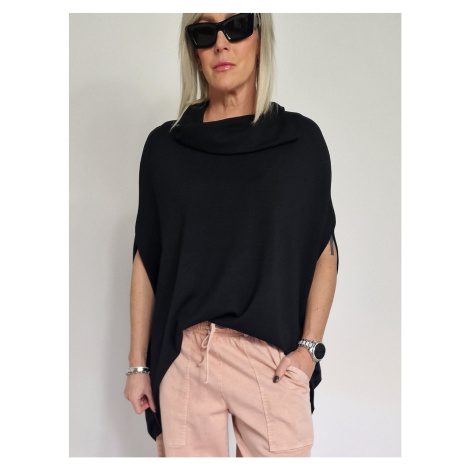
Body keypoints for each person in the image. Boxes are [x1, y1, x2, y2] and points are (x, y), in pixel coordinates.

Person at [124, 13, 339, 457]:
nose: (221, 43)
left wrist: (308, 350)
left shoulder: (300, 143)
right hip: (186, 354)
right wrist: (137, 365)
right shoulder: (165, 149)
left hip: (270, 359)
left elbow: (324, 249)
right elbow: (147, 258)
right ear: (194, 51)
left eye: (237, 26)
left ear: (260, 36)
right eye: (204, 32)